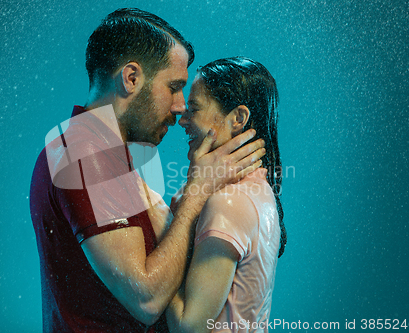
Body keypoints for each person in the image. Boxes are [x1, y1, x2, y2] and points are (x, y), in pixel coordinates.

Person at [29, 9, 266, 333]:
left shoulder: (98, 152)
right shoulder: (85, 154)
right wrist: (198, 192)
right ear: (131, 78)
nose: (182, 105)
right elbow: (146, 299)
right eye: (173, 86)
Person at [166, 57, 287, 333]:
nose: (181, 119)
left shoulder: (227, 203)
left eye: (193, 108)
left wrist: (169, 221)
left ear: (237, 119)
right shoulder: (259, 190)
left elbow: (189, 326)